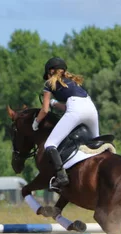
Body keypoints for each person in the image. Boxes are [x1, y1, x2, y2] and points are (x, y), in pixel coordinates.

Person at [32, 57, 100, 190]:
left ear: (51, 71)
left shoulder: (48, 84)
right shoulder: (74, 82)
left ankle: (62, 176)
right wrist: (55, 104)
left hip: (75, 110)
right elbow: (72, 105)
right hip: (91, 110)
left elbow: (44, 110)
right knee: (96, 144)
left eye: (47, 74)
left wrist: (36, 122)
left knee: (50, 144)